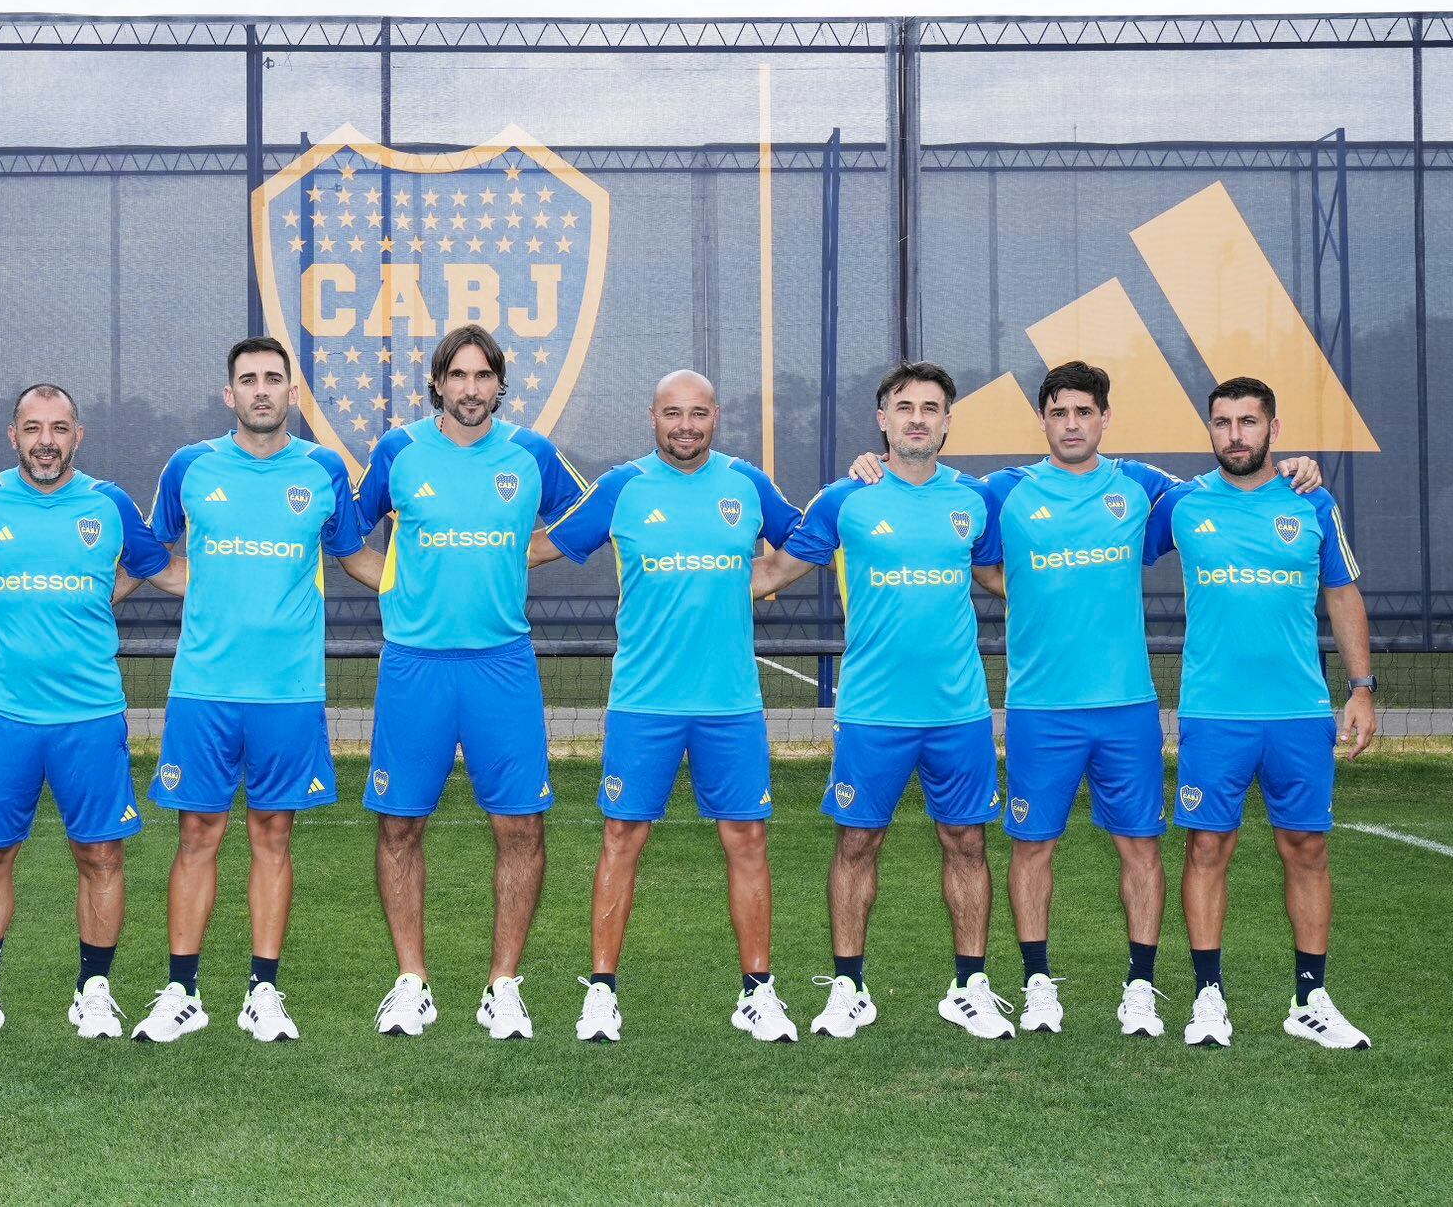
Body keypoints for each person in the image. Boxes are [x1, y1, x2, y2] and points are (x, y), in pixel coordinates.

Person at [843, 360, 1320, 1036]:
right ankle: (1038, 983)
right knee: (1033, 847)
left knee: (1141, 848)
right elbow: (950, 526)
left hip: (1126, 705)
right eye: (1059, 412)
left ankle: (1142, 988)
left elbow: (1232, 488)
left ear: (1104, 419)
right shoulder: (1002, 492)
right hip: (1040, 705)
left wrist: (1294, 467)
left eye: (1084, 413)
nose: (1072, 424)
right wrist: (874, 463)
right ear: (1043, 419)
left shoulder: (1147, 489)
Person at [532, 370, 803, 1043]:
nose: (687, 425)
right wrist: (465, 546)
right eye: (673, 413)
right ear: (652, 417)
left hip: (731, 703)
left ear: (717, 418)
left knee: (747, 841)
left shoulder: (748, 484)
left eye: (700, 413)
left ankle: (758, 992)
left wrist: (767, 574)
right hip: (643, 703)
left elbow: (810, 538)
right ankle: (601, 993)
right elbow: (550, 545)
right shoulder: (623, 487)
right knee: (622, 838)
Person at [752, 360, 1015, 1040]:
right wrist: (689, 574)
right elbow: (776, 569)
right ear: (883, 419)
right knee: (858, 842)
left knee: (966, 842)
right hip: (872, 711)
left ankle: (971, 986)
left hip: (958, 710)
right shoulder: (847, 498)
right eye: (905, 406)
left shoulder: (976, 499)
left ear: (949, 420)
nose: (918, 418)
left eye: (931, 407)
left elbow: (1000, 576)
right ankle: (849, 988)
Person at [131, 338, 381, 1044]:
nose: (262, 390)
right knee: (197, 836)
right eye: (249, 379)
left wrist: (428, 584)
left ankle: (263, 993)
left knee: (274, 838)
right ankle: (182, 991)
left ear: (292, 393)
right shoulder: (190, 467)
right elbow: (156, 555)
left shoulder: (325, 470)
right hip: (203, 689)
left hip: (290, 693)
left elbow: (356, 556)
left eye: (274, 379)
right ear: (229, 394)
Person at [0, 383, 185, 1043]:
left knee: (101, 856)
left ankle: (93, 991)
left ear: (79, 436)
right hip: (3, 714)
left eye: (60, 427)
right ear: (12, 435)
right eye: (33, 427)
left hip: (91, 715)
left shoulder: (110, 504)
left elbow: (156, 568)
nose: (47, 439)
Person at [357, 324, 590, 1040]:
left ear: (500, 384)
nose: (469, 388)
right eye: (456, 376)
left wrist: (516, 561)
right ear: (437, 385)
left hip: (502, 664)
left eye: (482, 375)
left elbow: (582, 522)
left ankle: (503, 985)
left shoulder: (532, 454)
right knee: (400, 826)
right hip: (414, 665)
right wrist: (397, 588)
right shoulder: (398, 452)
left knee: (520, 826)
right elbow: (347, 538)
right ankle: (411, 982)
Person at [1145, 376, 1376, 1049]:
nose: (1235, 434)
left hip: (1299, 713)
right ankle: (1208, 997)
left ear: (1273, 429)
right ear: (1210, 430)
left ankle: (1310, 1000)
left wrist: (1361, 687)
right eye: (1222, 422)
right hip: (1215, 713)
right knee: (1208, 847)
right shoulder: (1182, 505)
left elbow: (1342, 594)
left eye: (1249, 421)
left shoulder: (1312, 501)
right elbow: (1109, 521)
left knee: (1306, 847)